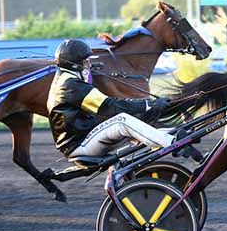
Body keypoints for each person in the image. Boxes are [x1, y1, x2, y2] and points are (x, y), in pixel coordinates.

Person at [47, 39, 201, 162]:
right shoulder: (70, 85)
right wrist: (149, 104)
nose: (88, 65)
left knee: (131, 126)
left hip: (82, 140)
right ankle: (173, 143)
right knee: (122, 121)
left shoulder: (66, 80)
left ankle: (174, 134)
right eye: (85, 61)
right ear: (74, 64)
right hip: (79, 146)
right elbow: (109, 106)